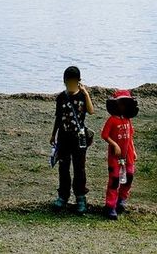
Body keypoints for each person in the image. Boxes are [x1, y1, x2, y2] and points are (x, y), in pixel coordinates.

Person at [50, 65, 95, 214]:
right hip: (63, 138)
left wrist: (86, 93)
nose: (70, 84)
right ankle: (63, 196)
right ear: (64, 81)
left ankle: (80, 198)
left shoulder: (82, 96)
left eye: (73, 81)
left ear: (78, 81)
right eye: (68, 81)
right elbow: (58, 118)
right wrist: (53, 134)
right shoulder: (61, 97)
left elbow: (91, 111)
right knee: (63, 168)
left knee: (79, 168)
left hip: (78, 139)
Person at [101, 89, 139, 220]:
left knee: (129, 175)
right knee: (114, 179)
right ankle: (110, 205)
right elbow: (104, 135)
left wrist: (133, 150)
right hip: (115, 156)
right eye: (120, 103)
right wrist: (114, 144)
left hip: (127, 154)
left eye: (125, 103)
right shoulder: (112, 120)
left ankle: (122, 198)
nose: (123, 106)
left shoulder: (127, 120)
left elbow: (130, 137)